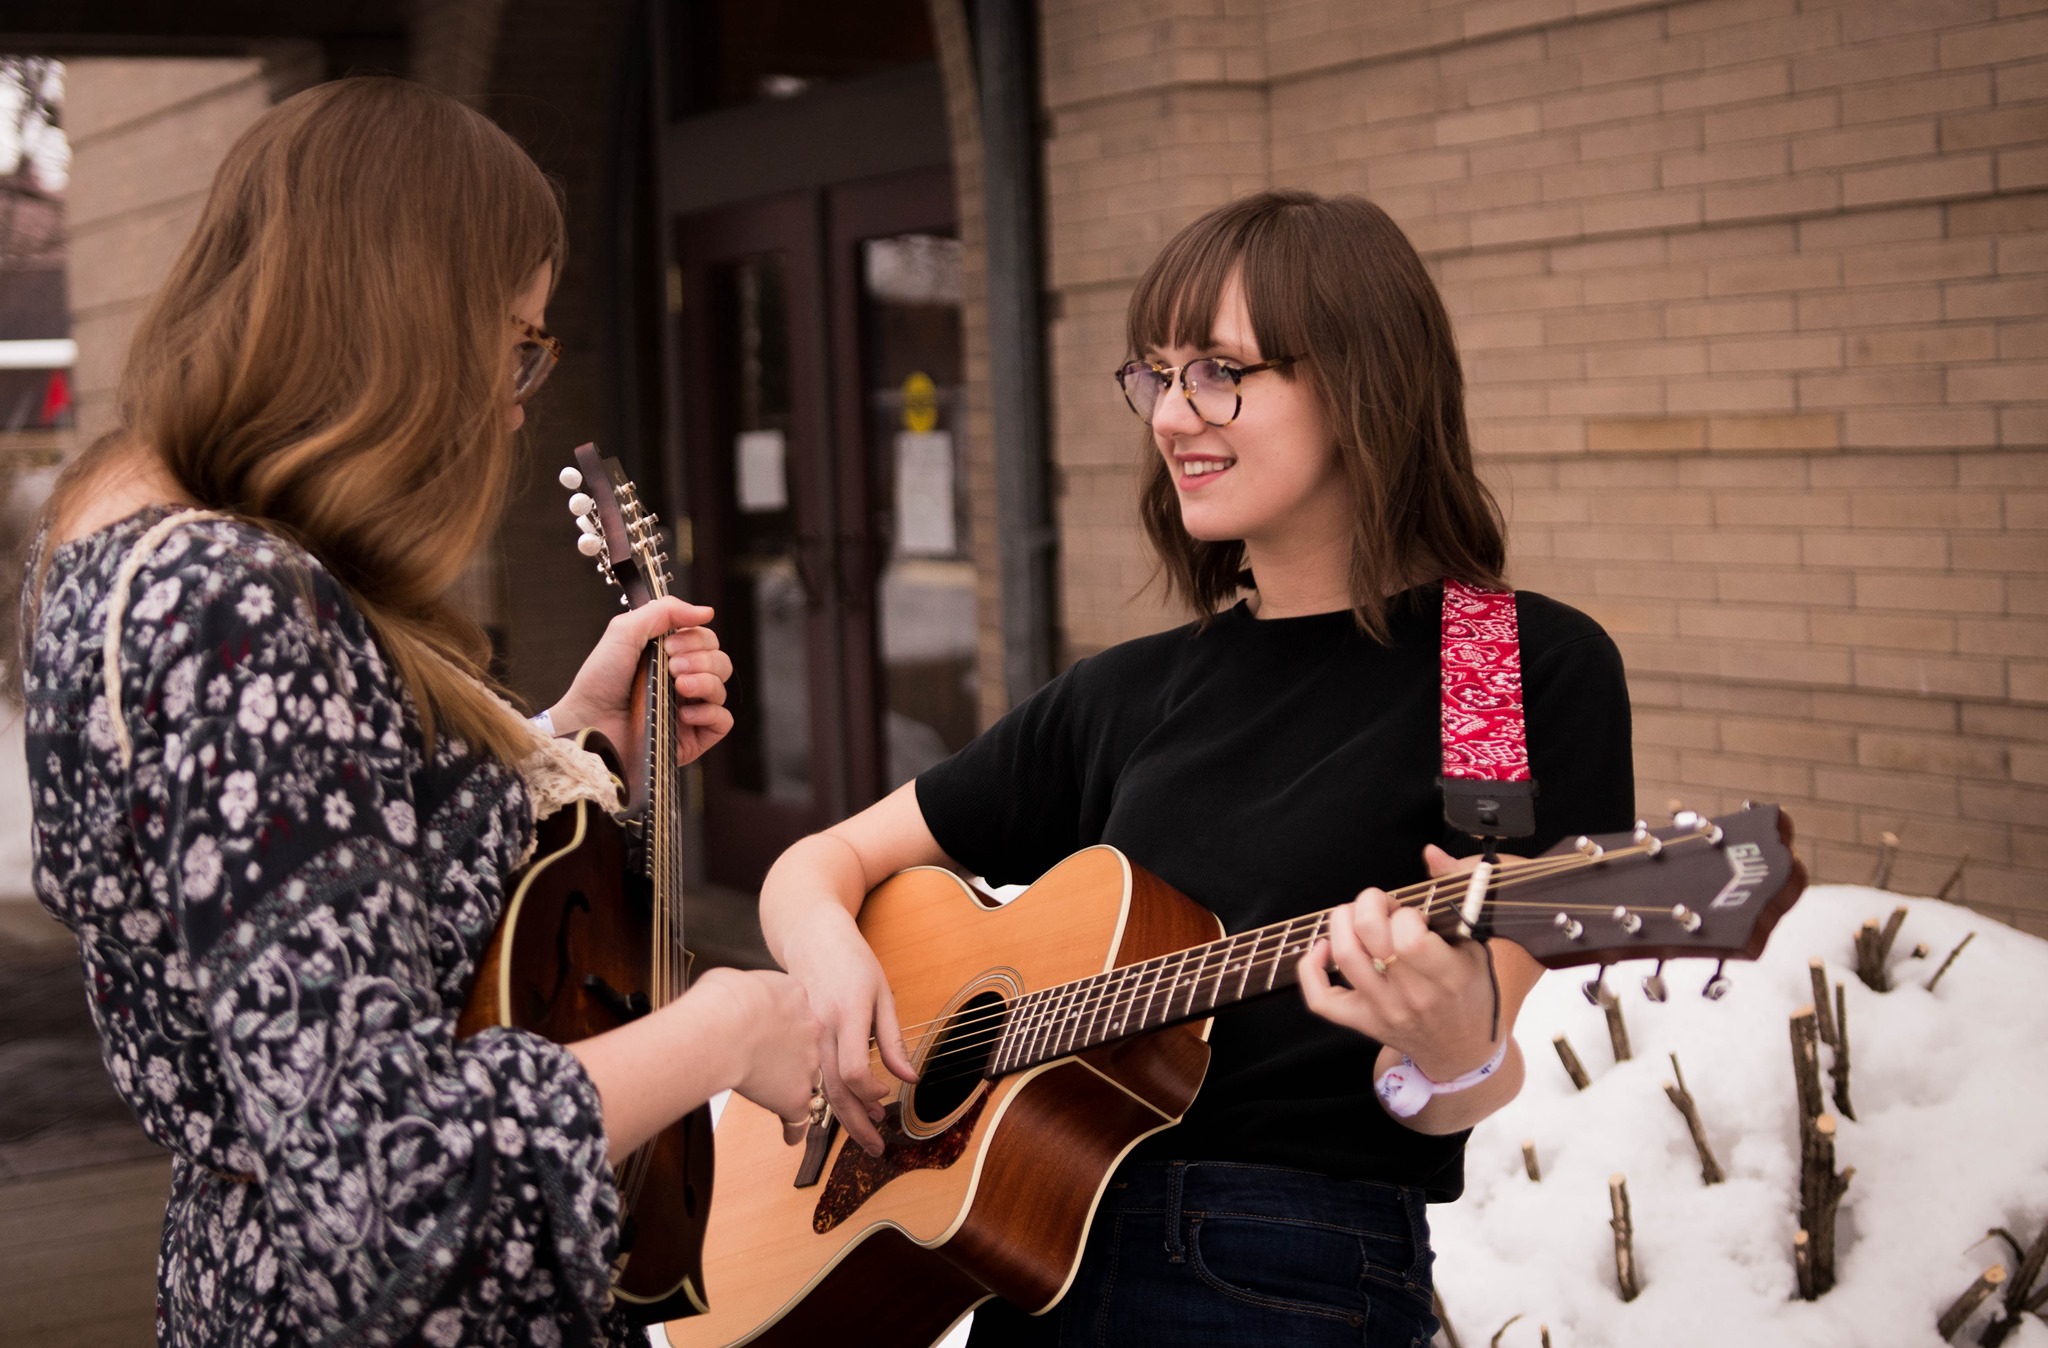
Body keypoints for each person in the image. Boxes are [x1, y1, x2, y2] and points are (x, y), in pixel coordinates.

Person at [20, 77, 821, 1348]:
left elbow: (309, 898)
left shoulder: (124, 561)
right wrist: (730, 1025)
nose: (516, 403)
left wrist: (563, 741)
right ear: (401, 326)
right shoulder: (244, 604)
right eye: (513, 344)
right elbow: (385, 1186)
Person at [758, 190, 1635, 1346]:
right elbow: (821, 862)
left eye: (1218, 370)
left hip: (1283, 1267)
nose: (1173, 414)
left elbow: (1447, 1090)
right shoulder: (1123, 693)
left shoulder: (1497, 665)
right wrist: (829, 963)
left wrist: (1451, 1047)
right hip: (1033, 1259)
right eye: (1155, 374)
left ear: (1362, 380)